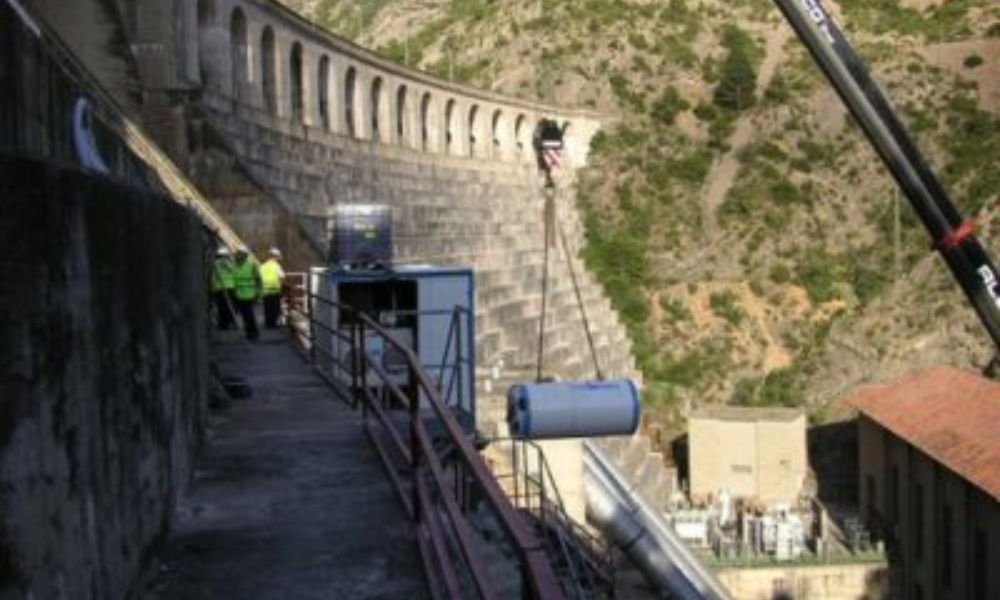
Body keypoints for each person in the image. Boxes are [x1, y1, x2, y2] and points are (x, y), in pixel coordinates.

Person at [232, 248, 261, 341]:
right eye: (237, 255)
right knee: (245, 316)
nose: (237, 257)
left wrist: (258, 293)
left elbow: (258, 280)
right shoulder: (235, 266)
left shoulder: (251, 266)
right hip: (239, 295)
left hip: (249, 295)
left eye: (239, 255)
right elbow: (234, 280)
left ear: (244, 256)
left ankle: (253, 333)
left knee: (249, 315)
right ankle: (249, 333)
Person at [259, 247, 286, 328]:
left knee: (267, 308)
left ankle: (268, 323)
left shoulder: (262, 266)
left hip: (265, 291)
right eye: (278, 256)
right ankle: (273, 325)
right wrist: (282, 288)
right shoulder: (276, 266)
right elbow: (282, 277)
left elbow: (259, 278)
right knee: (275, 309)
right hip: (275, 291)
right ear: (275, 256)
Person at [211, 247, 236, 329]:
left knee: (222, 307)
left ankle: (223, 324)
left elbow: (213, 277)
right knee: (228, 307)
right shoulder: (228, 263)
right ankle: (229, 323)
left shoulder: (215, 264)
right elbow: (234, 272)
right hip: (228, 287)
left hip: (220, 288)